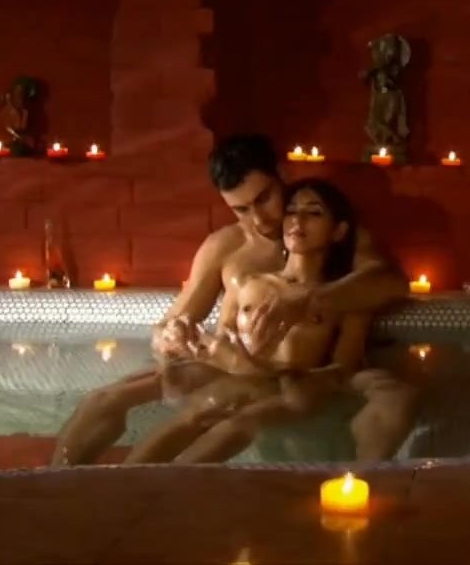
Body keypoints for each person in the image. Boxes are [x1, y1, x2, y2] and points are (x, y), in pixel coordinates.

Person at [52, 134, 416, 466]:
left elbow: (390, 283)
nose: (258, 219)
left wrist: (308, 301)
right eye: (241, 209)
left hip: (295, 371)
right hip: (228, 362)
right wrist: (172, 335)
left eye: (264, 199)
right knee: (102, 400)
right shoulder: (227, 247)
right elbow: (174, 322)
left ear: (282, 175)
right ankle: (52, 487)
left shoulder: (333, 234)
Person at [122, 179, 371, 464]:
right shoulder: (253, 284)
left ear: (339, 231)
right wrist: (187, 345)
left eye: (314, 212)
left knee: (237, 424)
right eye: (291, 211)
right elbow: (224, 340)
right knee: (195, 414)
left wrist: (284, 378)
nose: (297, 220)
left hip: (290, 392)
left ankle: (172, 485)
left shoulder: (345, 299)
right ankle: (119, 484)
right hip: (240, 380)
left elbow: (343, 369)